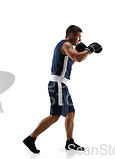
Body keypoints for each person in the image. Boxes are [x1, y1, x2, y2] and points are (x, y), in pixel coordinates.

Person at [23, 25, 103, 154]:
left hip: (62, 85)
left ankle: (69, 142)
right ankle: (31, 138)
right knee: (55, 116)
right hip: (58, 84)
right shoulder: (66, 45)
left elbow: (71, 62)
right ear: (71, 35)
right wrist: (89, 49)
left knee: (71, 112)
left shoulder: (66, 47)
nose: (79, 40)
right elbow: (79, 58)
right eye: (78, 37)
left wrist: (79, 52)